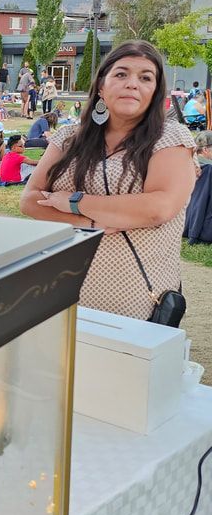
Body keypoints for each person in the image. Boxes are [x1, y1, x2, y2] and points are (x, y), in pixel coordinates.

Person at [21, 40, 196, 321]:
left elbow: (158, 208)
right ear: (101, 86)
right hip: (61, 290)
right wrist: (90, 224)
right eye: (121, 74)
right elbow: (30, 201)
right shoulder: (68, 138)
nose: (132, 84)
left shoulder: (170, 140)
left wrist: (74, 202)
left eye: (145, 77)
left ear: (155, 91)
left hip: (136, 299)